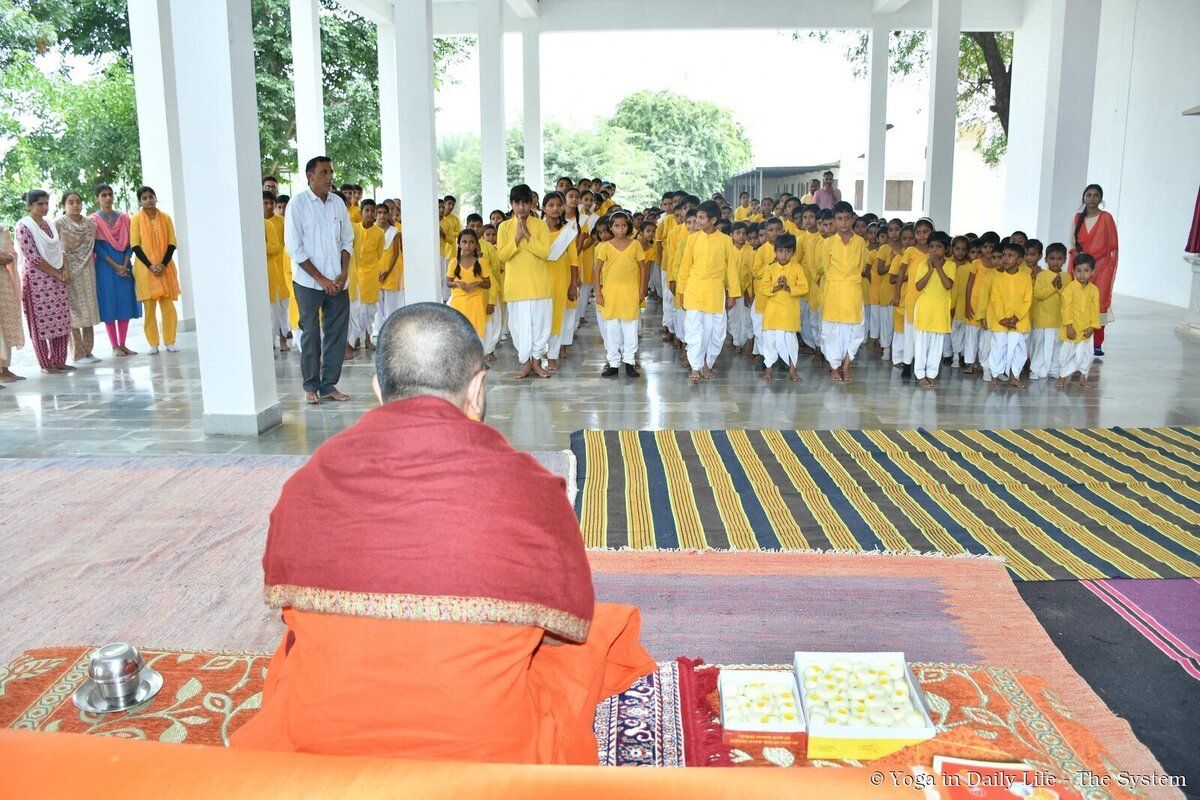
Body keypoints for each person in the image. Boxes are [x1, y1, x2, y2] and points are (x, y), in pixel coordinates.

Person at [229, 302, 654, 761]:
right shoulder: (532, 490)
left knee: (296, 652)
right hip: (486, 747)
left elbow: (289, 609)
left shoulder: (307, 483)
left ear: (378, 389)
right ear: (477, 389)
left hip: (323, 733)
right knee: (587, 641)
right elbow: (565, 628)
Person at [285, 155, 354, 405]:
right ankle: (311, 385)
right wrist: (322, 279)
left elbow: (347, 240)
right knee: (311, 332)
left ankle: (329, 385)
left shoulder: (337, 203)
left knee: (337, 332)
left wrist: (343, 273)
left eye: (331, 172)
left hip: (338, 281)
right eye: (324, 172)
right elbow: (295, 249)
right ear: (310, 176)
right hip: (309, 283)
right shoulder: (297, 204)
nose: (330, 177)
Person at [676, 200, 739, 382]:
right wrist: (681, 292)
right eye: (697, 217)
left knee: (715, 333)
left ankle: (707, 364)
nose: (697, 221)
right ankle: (696, 367)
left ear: (713, 220)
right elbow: (685, 267)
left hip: (715, 293)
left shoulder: (726, 241)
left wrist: (733, 294)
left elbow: (731, 269)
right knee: (695, 331)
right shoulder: (692, 239)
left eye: (701, 218)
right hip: (694, 291)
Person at [497, 184, 552, 379]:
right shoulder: (504, 227)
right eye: (517, 203)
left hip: (539, 286)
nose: (521, 207)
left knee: (540, 327)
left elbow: (545, 252)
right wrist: (516, 239)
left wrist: (527, 235)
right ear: (511, 204)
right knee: (518, 329)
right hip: (516, 287)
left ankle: (537, 362)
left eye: (525, 203)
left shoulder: (541, 225)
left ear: (532, 204)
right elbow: (502, 256)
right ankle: (526, 364)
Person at [15, 190, 73, 374]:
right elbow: (33, 257)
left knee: (61, 319)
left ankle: (59, 360)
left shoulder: (49, 224)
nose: (44, 207)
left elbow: (60, 249)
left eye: (46, 203)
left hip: (57, 278)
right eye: (40, 204)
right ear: (29, 205)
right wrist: (57, 273)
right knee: (40, 323)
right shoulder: (24, 226)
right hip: (36, 281)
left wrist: (65, 269)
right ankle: (46, 364)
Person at [593, 210, 646, 378]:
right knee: (612, 329)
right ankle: (614, 363)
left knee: (630, 328)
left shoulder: (635, 245)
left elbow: (643, 268)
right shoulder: (605, 247)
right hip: (610, 294)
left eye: (623, 226)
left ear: (628, 227)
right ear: (611, 227)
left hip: (630, 292)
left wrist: (642, 289)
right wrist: (598, 292)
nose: (620, 229)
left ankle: (629, 362)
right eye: (616, 226)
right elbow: (596, 270)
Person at [820, 201, 868, 383]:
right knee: (830, 332)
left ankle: (846, 366)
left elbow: (862, 266)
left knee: (855, 331)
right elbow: (826, 268)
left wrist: (850, 280)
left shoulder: (860, 242)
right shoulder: (828, 243)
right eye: (839, 219)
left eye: (847, 218)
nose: (844, 222)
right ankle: (834, 367)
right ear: (834, 220)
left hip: (853, 290)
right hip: (833, 291)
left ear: (853, 219)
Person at [130, 186, 181, 355]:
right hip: (146, 271)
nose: (148, 200)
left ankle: (170, 341)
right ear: (140, 201)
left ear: (155, 198)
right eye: (144, 198)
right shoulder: (136, 219)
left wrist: (163, 265)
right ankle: (153, 343)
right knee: (149, 310)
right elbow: (135, 245)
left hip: (165, 269)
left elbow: (172, 243)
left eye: (151, 197)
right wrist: (151, 266)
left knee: (168, 308)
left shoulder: (165, 218)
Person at [91, 185, 140, 357]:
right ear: (97, 198)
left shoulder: (125, 218)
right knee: (109, 303)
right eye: (103, 195)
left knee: (125, 302)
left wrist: (124, 264)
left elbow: (131, 243)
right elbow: (97, 247)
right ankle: (114, 346)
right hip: (105, 266)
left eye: (110, 194)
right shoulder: (94, 220)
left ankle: (123, 344)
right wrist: (115, 265)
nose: (108, 198)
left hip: (124, 264)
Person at [1069, 184, 1117, 355]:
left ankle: (1096, 343)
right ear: (1084, 198)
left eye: (1096, 195)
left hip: (1101, 267)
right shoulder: (1077, 218)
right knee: (1078, 300)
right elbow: (1072, 244)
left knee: (1099, 302)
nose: (1092, 198)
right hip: (1081, 266)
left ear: (1101, 198)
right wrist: (1078, 262)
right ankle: (1076, 336)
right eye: (1088, 195)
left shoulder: (1106, 218)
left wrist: (1101, 265)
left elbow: (1112, 245)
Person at [55, 192, 101, 364]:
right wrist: (64, 269)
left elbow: (93, 246)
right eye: (71, 202)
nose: (75, 205)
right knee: (73, 312)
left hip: (87, 270)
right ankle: (77, 353)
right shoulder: (59, 224)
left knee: (89, 309)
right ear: (63, 206)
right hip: (67, 271)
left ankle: (89, 351)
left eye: (78, 202)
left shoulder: (90, 224)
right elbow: (58, 250)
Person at [759, 233, 808, 383]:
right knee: (770, 341)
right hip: (772, 312)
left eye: (788, 251)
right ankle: (769, 369)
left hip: (789, 312)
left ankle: (793, 370)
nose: (784, 255)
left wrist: (788, 288)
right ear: (775, 251)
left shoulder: (798, 268)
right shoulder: (770, 268)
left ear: (793, 252)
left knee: (791, 343)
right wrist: (776, 287)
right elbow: (763, 288)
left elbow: (804, 288)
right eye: (780, 251)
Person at [911, 231, 955, 389]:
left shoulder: (950, 265)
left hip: (940, 310)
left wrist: (938, 268)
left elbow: (948, 285)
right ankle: (920, 374)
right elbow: (918, 286)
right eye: (931, 247)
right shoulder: (923, 264)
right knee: (921, 344)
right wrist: (930, 270)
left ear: (946, 249)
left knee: (937, 345)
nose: (934, 250)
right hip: (924, 309)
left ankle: (931, 374)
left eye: (938, 247)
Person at [987, 241, 1032, 390]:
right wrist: (1003, 318)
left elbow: (1027, 300)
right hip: (1000, 323)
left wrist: (1016, 317)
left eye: (1010, 256)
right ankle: (994, 377)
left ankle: (1014, 377)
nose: (1005, 258)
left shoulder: (1026, 277)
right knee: (998, 349)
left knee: (1019, 351)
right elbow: (995, 299)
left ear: (1019, 260)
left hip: (1019, 323)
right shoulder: (998, 278)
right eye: (1004, 255)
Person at [1057, 254, 1100, 389]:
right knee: (1066, 354)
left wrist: (1093, 327)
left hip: (1087, 330)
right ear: (1073, 271)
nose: (1082, 274)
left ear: (1092, 272)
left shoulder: (1094, 290)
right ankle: (1062, 376)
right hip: (1072, 329)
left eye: (1086, 271)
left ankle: (1082, 377)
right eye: (1079, 271)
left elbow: (1095, 310)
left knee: (1088, 355)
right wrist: (1069, 326)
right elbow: (1066, 309)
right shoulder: (1069, 289)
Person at [1030, 242, 1068, 381]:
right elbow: (1038, 295)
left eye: (1059, 259)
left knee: (1057, 346)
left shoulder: (1067, 277)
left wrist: (1059, 288)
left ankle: (1054, 370)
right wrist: (1053, 286)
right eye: (1052, 258)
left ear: (1064, 260)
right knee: (1040, 345)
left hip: (1058, 320)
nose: (1055, 262)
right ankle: (1035, 369)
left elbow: (1068, 297)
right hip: (1043, 319)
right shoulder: (1042, 276)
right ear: (1046, 259)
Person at [446, 228, 492, 338]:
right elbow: (448, 283)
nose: (468, 245)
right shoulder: (453, 262)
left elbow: (488, 284)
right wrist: (457, 284)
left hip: (476, 302)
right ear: (459, 244)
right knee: (459, 334)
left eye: (471, 242)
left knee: (476, 334)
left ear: (476, 244)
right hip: (458, 302)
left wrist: (477, 283)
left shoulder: (482, 262)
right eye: (464, 242)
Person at [354, 199, 385, 352]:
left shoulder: (379, 233)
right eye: (367, 210)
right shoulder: (355, 230)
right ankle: (355, 338)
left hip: (371, 275)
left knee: (369, 310)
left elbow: (379, 255)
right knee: (356, 310)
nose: (370, 213)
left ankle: (367, 339)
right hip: (356, 275)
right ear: (361, 212)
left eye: (373, 211)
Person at [263, 192, 291, 352]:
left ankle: (283, 338)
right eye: (265, 203)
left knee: (283, 307)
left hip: (282, 267)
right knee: (270, 310)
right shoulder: (257, 223)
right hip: (267, 271)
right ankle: (270, 340)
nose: (269, 206)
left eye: (271, 203)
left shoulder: (282, 222)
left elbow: (280, 247)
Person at [0, 224, 25, 384]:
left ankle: (4, 368)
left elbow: (11, 254)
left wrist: (7, 257)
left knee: (6, 322)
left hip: (3, 282)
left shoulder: (2, 230)